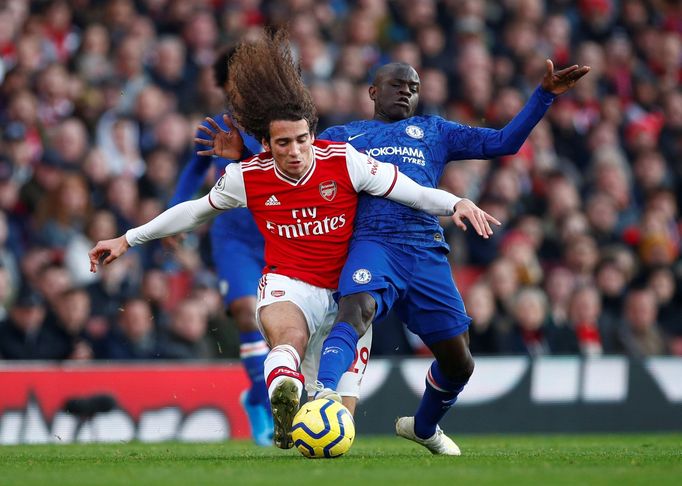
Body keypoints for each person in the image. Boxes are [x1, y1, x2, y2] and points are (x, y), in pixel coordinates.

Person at [88, 30, 499, 451]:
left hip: (345, 292)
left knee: (338, 427)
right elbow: (193, 211)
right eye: (283, 143)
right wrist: (127, 238)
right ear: (266, 145)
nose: (296, 151)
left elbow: (410, 190)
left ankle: (302, 415)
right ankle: (282, 393)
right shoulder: (248, 176)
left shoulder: (343, 160)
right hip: (290, 283)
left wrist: (456, 203)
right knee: (290, 341)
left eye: (302, 140)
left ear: (312, 136)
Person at [310, 60, 590, 455]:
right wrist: (249, 149)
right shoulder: (343, 136)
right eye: (397, 84)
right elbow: (291, 163)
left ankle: (423, 428)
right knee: (356, 309)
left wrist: (543, 96)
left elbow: (503, 142)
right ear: (373, 91)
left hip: (425, 250)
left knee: (460, 363)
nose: (407, 90)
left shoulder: (433, 130)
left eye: (414, 86)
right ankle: (323, 397)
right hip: (373, 242)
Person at [167, 47, 272, 447]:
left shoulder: (280, 124)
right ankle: (263, 406)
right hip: (234, 237)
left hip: (280, 233)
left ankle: (258, 396)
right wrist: (177, 213)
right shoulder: (216, 125)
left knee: (282, 328)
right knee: (247, 313)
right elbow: (194, 168)